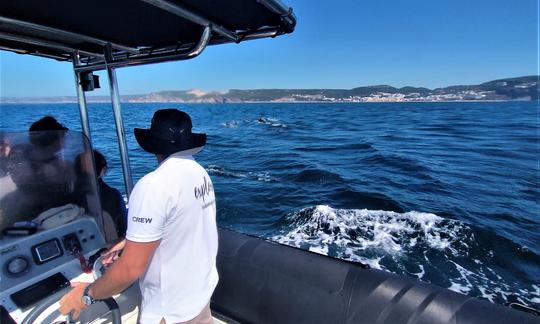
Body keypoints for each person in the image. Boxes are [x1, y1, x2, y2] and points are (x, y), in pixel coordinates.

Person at [60, 109, 218, 324]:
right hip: (198, 297)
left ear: (154, 143)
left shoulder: (153, 185)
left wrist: (86, 294)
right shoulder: (199, 173)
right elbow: (179, 223)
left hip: (168, 311)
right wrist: (128, 242)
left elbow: (130, 269)